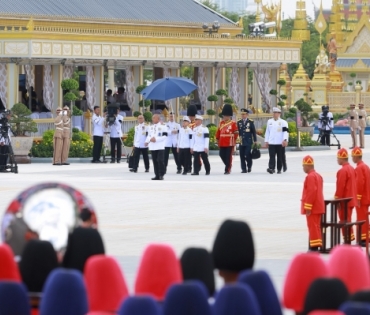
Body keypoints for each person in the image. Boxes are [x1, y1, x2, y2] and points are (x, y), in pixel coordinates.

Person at [300, 155, 325, 252]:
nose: (303, 168)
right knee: (316, 226)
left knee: (313, 226)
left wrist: (308, 207)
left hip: (313, 207)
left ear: (308, 166)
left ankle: (314, 247)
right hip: (318, 206)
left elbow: (311, 192)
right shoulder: (318, 175)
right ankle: (315, 244)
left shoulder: (310, 177)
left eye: (303, 166)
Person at [335, 148, 357, 243]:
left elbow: (340, 187)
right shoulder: (352, 169)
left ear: (342, 159)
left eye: (338, 158)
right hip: (351, 199)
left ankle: (347, 239)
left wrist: (337, 199)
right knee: (348, 219)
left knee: (344, 220)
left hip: (344, 200)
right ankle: (349, 238)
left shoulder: (342, 171)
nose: (337, 160)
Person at [351, 147, 370, 246]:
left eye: (352, 156)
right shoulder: (366, 166)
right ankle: (366, 237)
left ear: (356, 156)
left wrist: (357, 198)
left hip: (362, 198)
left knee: (361, 218)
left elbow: (359, 184)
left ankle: (362, 239)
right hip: (367, 196)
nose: (352, 158)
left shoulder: (358, 168)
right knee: (365, 218)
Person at [264, 107, 289, 174]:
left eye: (276, 113)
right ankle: (271, 168)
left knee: (280, 156)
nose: (274, 114)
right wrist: (266, 141)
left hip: (279, 142)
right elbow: (267, 131)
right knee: (271, 156)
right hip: (272, 142)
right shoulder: (269, 121)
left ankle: (279, 169)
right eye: (274, 112)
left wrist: (285, 140)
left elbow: (285, 132)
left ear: (279, 114)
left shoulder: (283, 122)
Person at [216, 104, 239, 175]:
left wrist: (234, 140)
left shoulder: (233, 123)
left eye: (227, 115)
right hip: (222, 142)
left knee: (228, 156)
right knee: (221, 154)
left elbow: (236, 132)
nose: (225, 117)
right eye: (224, 115)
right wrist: (217, 140)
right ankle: (228, 165)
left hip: (229, 142)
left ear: (229, 116)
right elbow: (218, 132)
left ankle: (227, 169)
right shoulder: (221, 123)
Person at [145, 114, 167, 180]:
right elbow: (148, 135)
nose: (153, 119)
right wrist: (147, 141)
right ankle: (157, 175)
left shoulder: (163, 126)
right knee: (155, 161)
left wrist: (156, 139)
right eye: (153, 118)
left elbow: (165, 136)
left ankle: (161, 174)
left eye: (154, 118)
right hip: (153, 146)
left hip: (160, 146)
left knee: (160, 160)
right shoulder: (150, 127)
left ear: (158, 119)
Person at [237, 108, 256, 173]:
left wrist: (255, 140)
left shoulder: (250, 122)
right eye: (242, 114)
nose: (243, 115)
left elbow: (253, 132)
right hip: (241, 141)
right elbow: (238, 132)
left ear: (247, 115)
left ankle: (249, 166)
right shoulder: (239, 122)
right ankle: (243, 169)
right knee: (241, 155)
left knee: (247, 154)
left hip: (248, 141)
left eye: (244, 114)